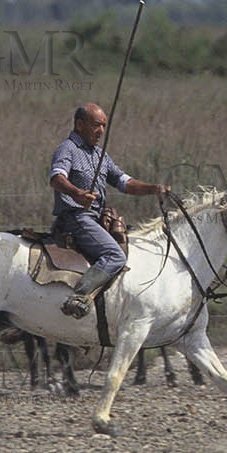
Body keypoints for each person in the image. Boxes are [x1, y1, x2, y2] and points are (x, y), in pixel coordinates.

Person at [49, 103, 168, 318]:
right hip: (76, 218)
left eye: (104, 126)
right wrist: (76, 193)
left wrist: (154, 189)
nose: (101, 131)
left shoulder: (100, 155)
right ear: (79, 124)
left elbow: (124, 182)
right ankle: (80, 296)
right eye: (96, 125)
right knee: (114, 255)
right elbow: (57, 178)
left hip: (95, 219)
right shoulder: (67, 149)